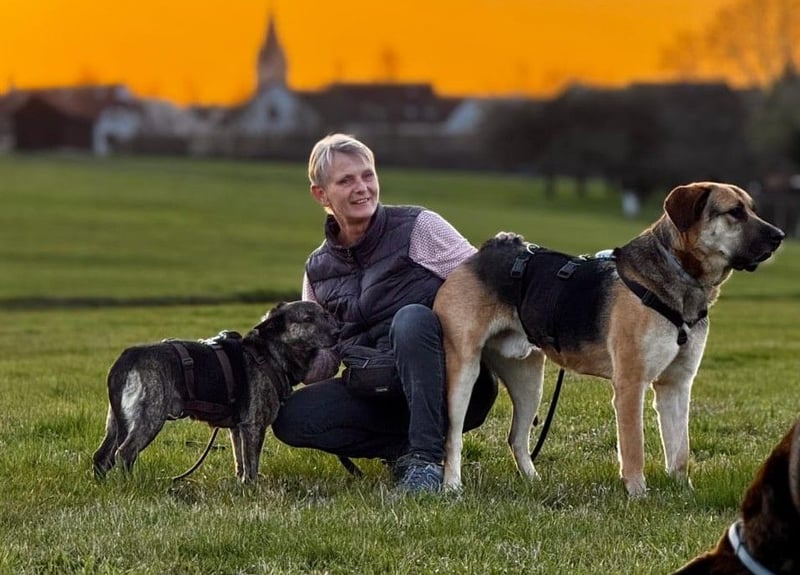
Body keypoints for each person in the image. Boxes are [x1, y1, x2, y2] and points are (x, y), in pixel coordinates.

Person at [272, 133, 498, 494]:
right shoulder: (317, 270)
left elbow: (486, 284)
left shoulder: (418, 227)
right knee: (290, 418)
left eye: (368, 175)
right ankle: (404, 451)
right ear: (321, 194)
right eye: (346, 180)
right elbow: (324, 362)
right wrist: (272, 359)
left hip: (450, 386)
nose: (362, 188)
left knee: (412, 318)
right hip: (374, 391)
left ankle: (426, 462)